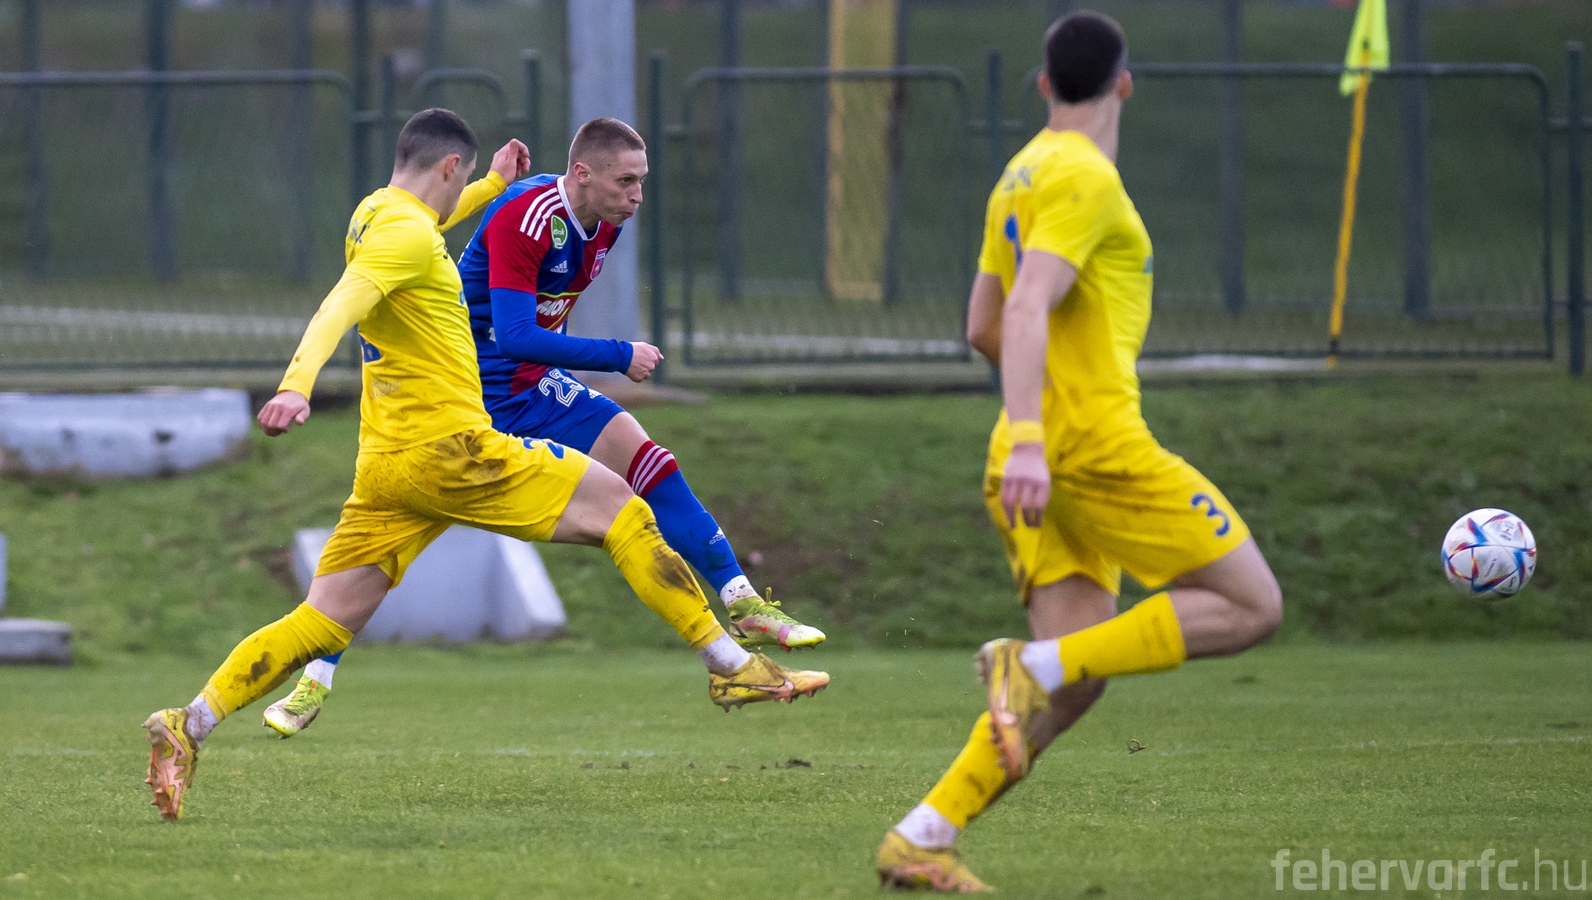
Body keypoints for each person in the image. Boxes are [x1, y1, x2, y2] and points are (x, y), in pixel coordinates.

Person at [142, 108, 828, 822]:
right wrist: (295, 384)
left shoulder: (374, 213)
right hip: (453, 450)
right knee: (623, 510)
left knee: (321, 620)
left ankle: (190, 724)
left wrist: (491, 185)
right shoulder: (409, 237)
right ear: (448, 166)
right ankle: (730, 667)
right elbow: (340, 304)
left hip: (386, 465)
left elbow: (427, 223)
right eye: (464, 179)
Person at [873, 13, 1282, 891]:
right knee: (1253, 606)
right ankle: (1031, 663)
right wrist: (1042, 434)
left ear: (1043, 84)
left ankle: (923, 835)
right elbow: (1022, 310)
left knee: (1077, 682)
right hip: (1091, 448)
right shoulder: (1086, 176)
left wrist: (1033, 421)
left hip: (1034, 457)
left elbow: (980, 324)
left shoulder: (1019, 173)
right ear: (1125, 84)